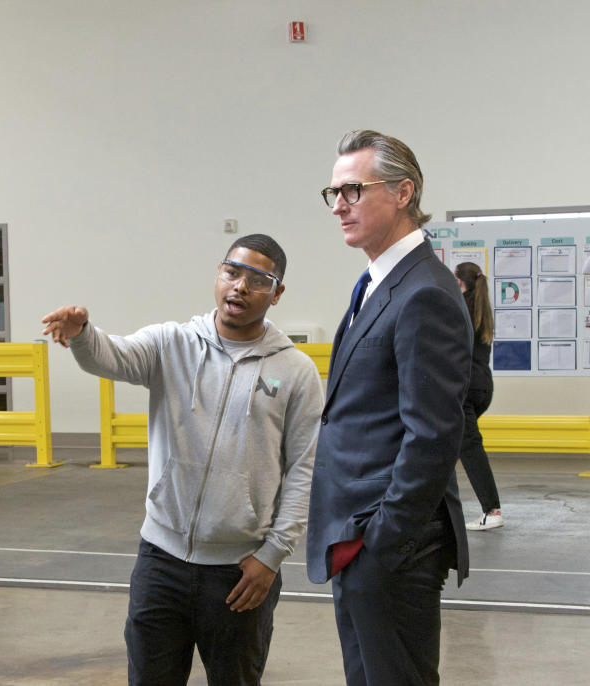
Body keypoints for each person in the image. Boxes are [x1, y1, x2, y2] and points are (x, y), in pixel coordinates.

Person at [42, 234, 323, 686]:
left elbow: (305, 470)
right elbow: (111, 357)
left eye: (257, 280)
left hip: (239, 572)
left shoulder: (295, 371)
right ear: (218, 274)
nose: (239, 288)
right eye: (232, 273)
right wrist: (82, 335)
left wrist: (271, 557)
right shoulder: (170, 344)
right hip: (161, 561)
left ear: (277, 292)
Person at [305, 130, 473, 686]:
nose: (340, 207)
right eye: (334, 194)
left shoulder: (424, 291)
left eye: (353, 190)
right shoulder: (377, 281)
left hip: (389, 547)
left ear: (404, 192)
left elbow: (432, 436)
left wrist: (383, 544)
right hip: (356, 536)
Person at [454, 262, 503, 530]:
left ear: (459, 282)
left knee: (469, 447)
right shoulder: (481, 308)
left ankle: (491, 510)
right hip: (484, 386)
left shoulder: (460, 307)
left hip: (466, 388)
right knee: (447, 443)